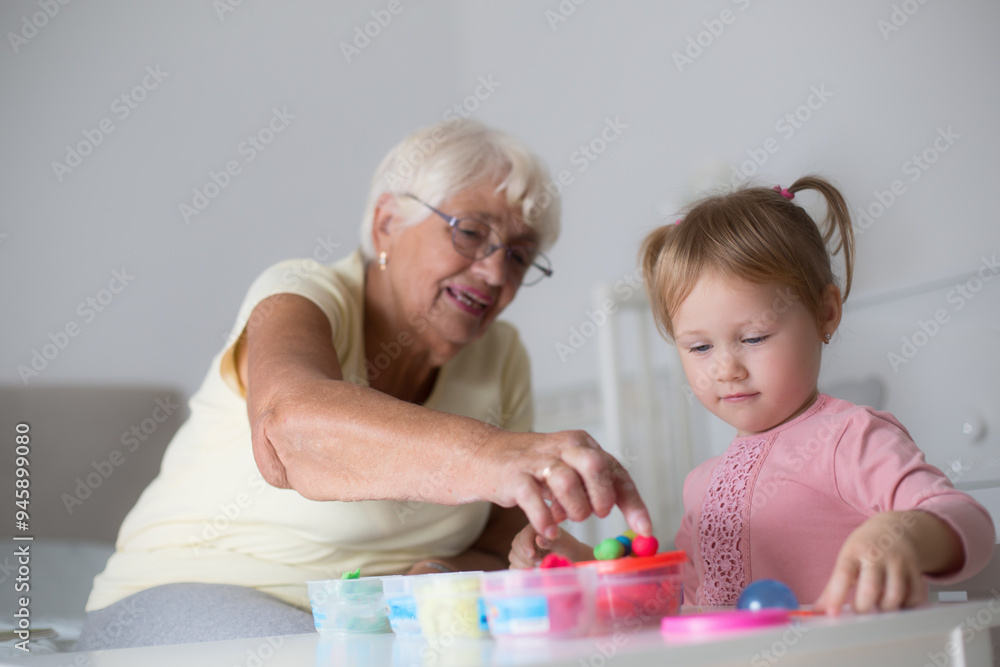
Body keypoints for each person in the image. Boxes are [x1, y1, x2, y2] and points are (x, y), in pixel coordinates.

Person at [79, 119, 651, 649]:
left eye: (520, 257)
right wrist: (493, 453)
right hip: (183, 596)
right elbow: (289, 429)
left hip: (370, 624)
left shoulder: (501, 356)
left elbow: (504, 542)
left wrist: (456, 569)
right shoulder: (301, 292)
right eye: (472, 232)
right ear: (386, 224)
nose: (495, 272)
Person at [510, 176, 995, 615]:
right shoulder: (702, 484)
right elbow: (678, 604)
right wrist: (584, 568)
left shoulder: (848, 437)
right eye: (699, 347)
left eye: (755, 337)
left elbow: (968, 522)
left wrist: (900, 537)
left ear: (826, 313)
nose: (726, 368)